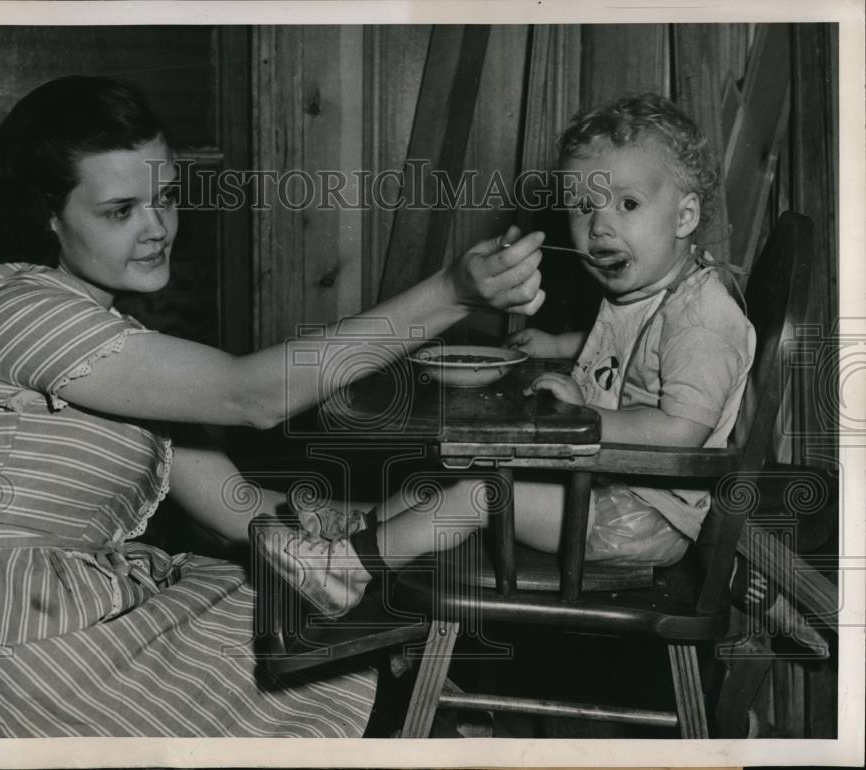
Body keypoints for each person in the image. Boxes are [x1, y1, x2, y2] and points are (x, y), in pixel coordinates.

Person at [0, 75, 548, 738]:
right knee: (360, 693)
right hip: (12, 647)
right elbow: (252, 394)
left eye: (167, 198)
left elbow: (236, 507)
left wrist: (385, 514)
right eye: (120, 211)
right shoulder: (20, 310)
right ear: (47, 214)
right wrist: (452, 292)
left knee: (369, 668)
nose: (157, 228)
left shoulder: (115, 342)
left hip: (74, 614)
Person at [252, 92, 756, 617]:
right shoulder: (648, 294)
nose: (600, 227)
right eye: (585, 207)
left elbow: (682, 431)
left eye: (627, 204)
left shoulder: (704, 319)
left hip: (640, 519)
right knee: (444, 479)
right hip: (607, 490)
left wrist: (588, 416)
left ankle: (346, 573)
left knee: (477, 492)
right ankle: (360, 534)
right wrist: (562, 347)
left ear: (685, 215)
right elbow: (630, 357)